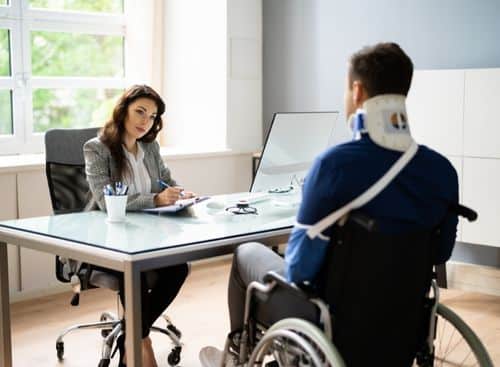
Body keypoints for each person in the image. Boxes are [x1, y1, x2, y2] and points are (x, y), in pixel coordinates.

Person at [199, 42, 459, 366]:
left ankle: (238, 357)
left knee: (246, 253)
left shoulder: (335, 166)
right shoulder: (442, 171)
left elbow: (299, 270)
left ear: (358, 90)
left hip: (333, 319)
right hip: (404, 315)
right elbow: (440, 253)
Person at [84, 84, 193, 367]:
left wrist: (179, 193)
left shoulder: (150, 147)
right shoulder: (97, 149)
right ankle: (140, 342)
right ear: (123, 111)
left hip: (148, 237)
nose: (146, 121)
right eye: (140, 112)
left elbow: (166, 181)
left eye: (153, 116)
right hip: (108, 241)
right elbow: (105, 200)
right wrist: (155, 199)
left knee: (178, 267)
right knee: (136, 275)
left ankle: (132, 335)